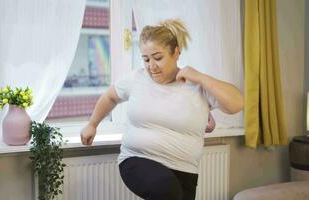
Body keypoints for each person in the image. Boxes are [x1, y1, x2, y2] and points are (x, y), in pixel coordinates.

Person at [81, 19, 244, 200]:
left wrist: (200, 77)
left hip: (185, 171)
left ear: (176, 53)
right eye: (146, 59)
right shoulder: (136, 79)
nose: (151, 66)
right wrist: (92, 124)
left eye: (158, 58)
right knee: (167, 190)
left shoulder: (196, 86)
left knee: (171, 192)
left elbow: (236, 104)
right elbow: (110, 97)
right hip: (137, 159)